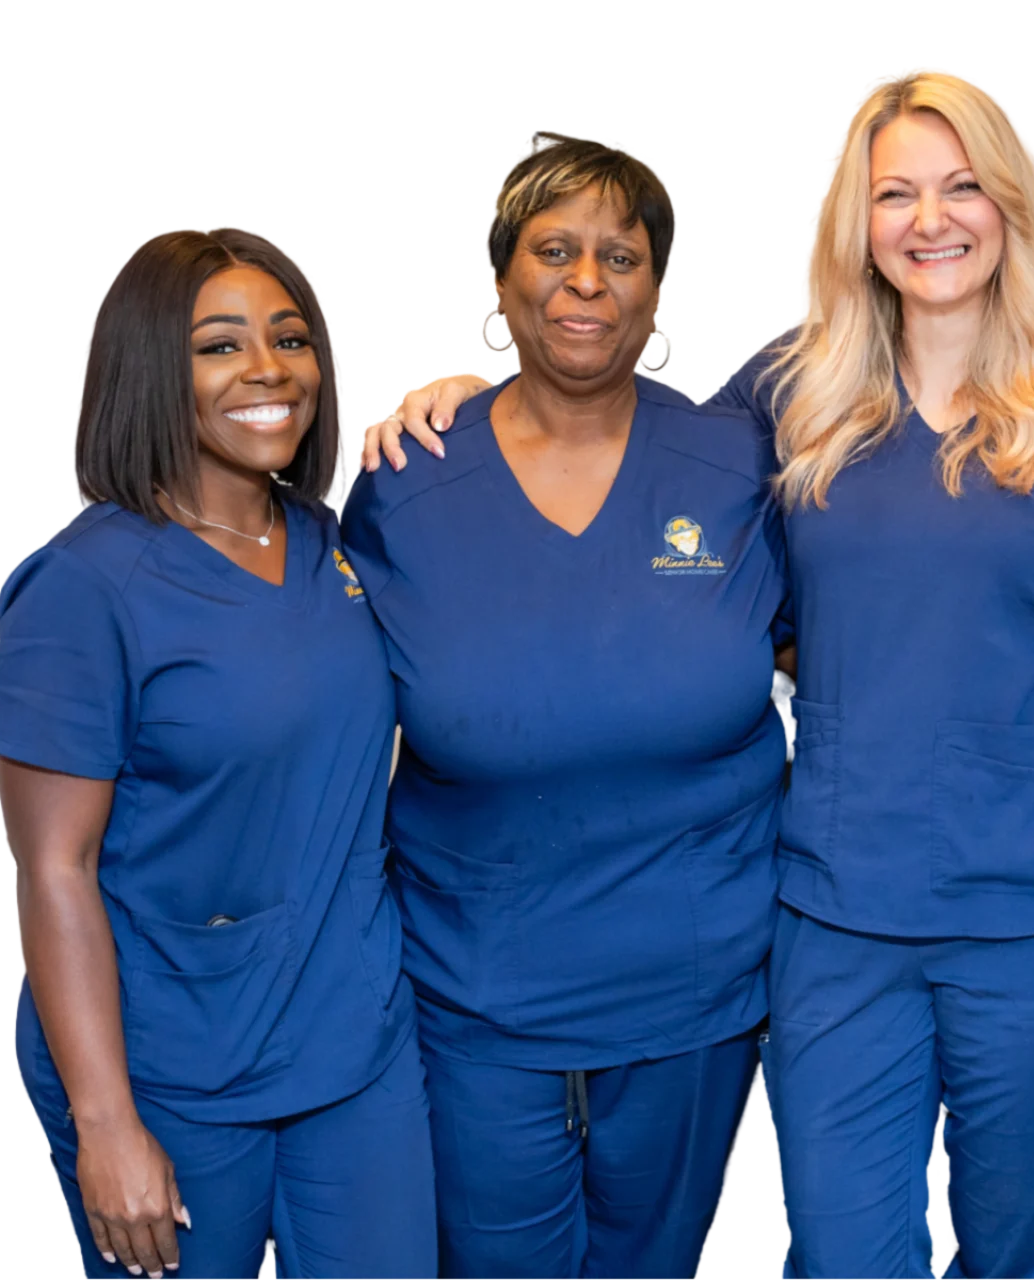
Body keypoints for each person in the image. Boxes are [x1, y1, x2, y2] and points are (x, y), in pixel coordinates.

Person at [365, 70, 1034, 1280]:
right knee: (844, 1255)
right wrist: (464, 394)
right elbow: (605, 416)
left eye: (962, 188)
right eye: (894, 192)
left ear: (1012, 204)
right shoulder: (794, 391)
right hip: (834, 907)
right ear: (856, 217)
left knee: (1029, 1258)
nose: (930, 219)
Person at [338, 133, 790, 1280]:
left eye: (620, 255)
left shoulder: (743, 463)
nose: (587, 280)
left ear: (659, 284)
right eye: (553, 250)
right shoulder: (397, 480)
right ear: (500, 281)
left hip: (693, 998)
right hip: (473, 999)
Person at [0, 227, 439, 1279]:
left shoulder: (337, 545)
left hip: (352, 1053)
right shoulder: (82, 589)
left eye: (290, 338)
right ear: (152, 366)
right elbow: (54, 868)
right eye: (220, 346)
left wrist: (462, 379)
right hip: (170, 1073)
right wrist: (107, 1124)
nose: (269, 370)